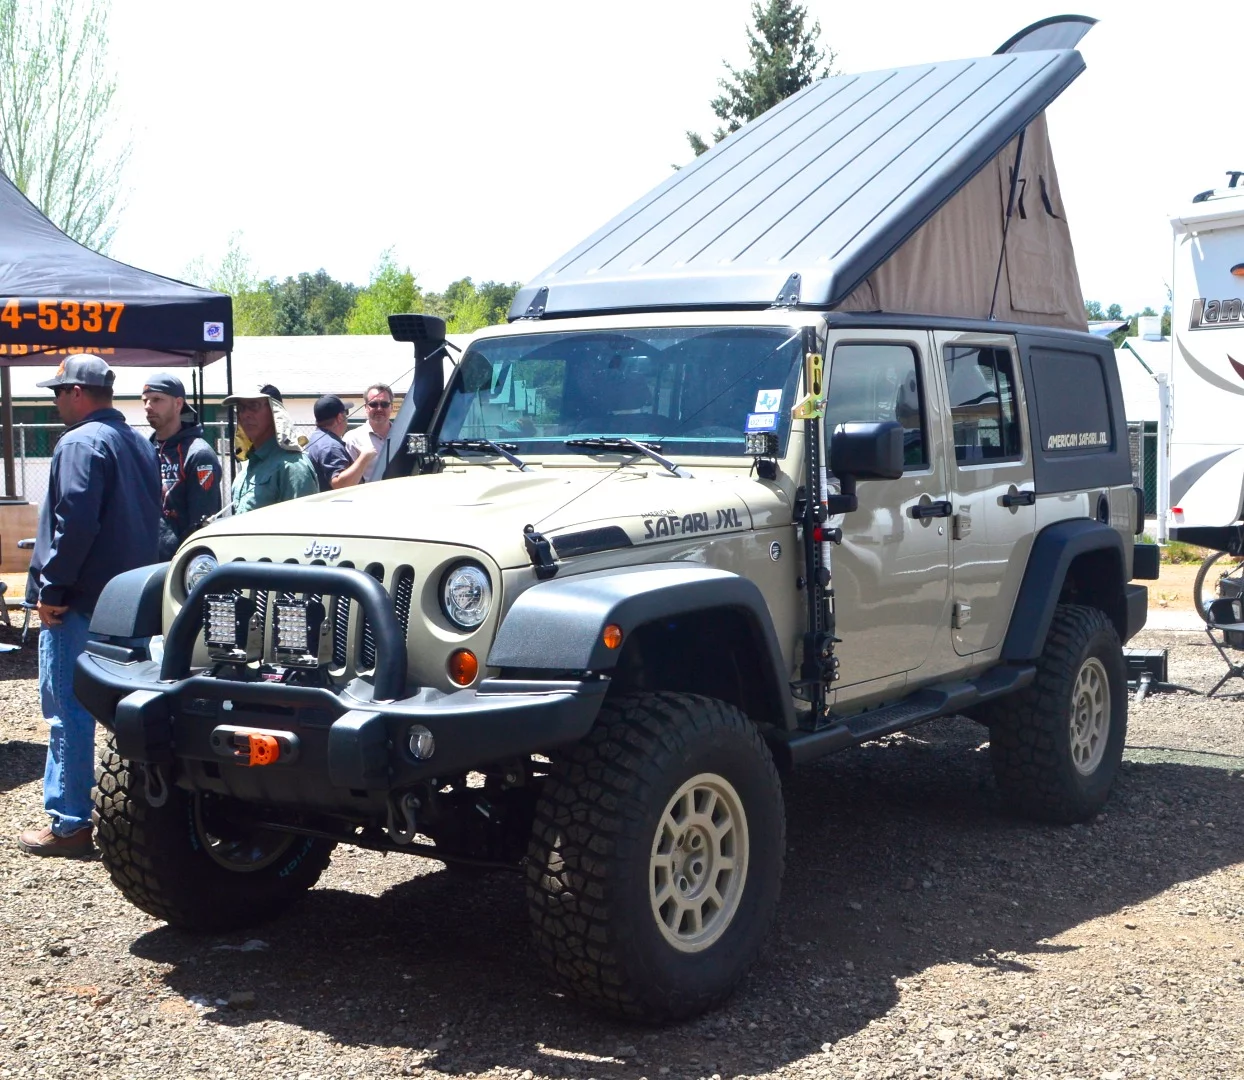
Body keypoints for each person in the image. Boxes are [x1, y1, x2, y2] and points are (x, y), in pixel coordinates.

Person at [18, 356, 161, 858]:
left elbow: (74, 521)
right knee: (129, 712)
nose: (55, 401)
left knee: (68, 713)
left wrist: (51, 589)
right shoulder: (139, 443)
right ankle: (143, 815)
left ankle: (71, 823)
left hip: (79, 604)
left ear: (78, 392)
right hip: (129, 603)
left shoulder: (79, 441)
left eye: (59, 393)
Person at [142, 373, 222, 560]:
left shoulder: (199, 454)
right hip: (143, 562)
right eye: (145, 400)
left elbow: (203, 524)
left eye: (157, 399)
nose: (148, 406)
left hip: (179, 565)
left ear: (178, 404)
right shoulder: (143, 450)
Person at [224, 384, 317, 514]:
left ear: (275, 412)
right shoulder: (249, 465)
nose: (245, 414)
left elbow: (302, 528)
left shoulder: (293, 467)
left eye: (254, 406)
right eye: (241, 408)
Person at [305, 394, 377, 492]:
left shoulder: (316, 438)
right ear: (339, 417)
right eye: (345, 413)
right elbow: (340, 485)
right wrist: (364, 458)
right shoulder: (330, 446)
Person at [344, 382, 393, 467]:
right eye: (373, 404)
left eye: (384, 404)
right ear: (366, 407)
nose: (379, 409)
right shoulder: (352, 439)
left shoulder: (403, 436)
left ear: (391, 407)